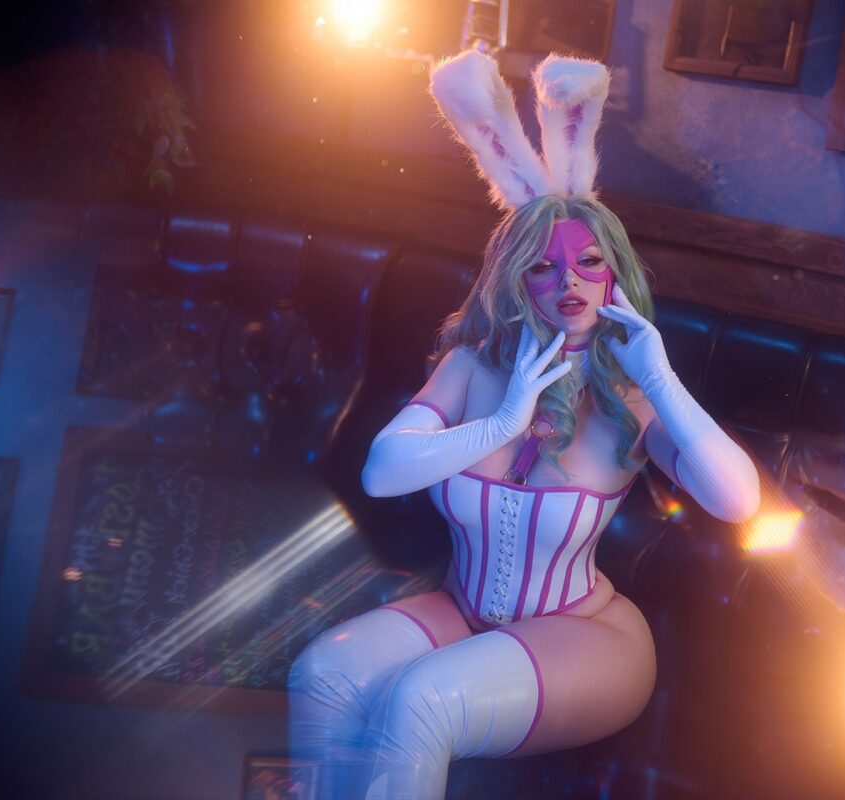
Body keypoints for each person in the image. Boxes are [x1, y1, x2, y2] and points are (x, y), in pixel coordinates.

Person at [289, 50, 760, 800]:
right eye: (542, 266)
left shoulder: (632, 399)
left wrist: (658, 376)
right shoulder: (472, 368)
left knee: (422, 701)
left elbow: (739, 502)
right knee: (321, 674)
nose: (567, 280)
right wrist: (505, 419)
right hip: (464, 612)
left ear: (615, 276)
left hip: (588, 636)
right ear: (514, 279)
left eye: (589, 263)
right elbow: (382, 472)